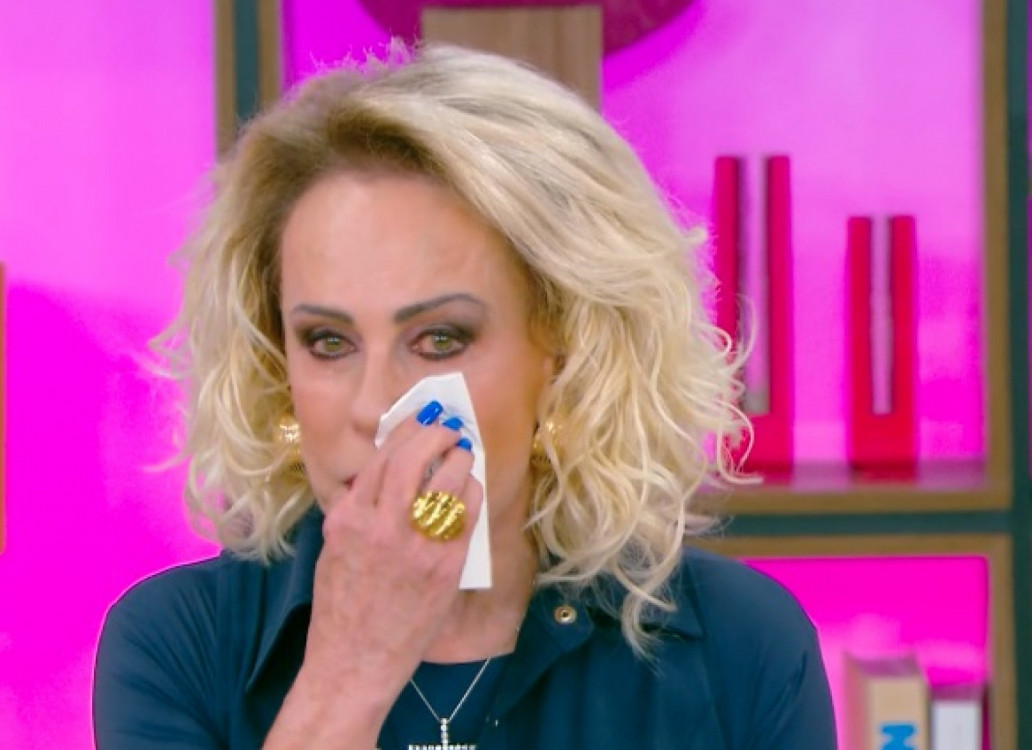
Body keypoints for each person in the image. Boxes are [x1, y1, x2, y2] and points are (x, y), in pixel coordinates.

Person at [93, 44, 836, 749]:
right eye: (328, 342)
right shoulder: (176, 644)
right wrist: (349, 675)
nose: (372, 406)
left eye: (440, 339)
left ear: (564, 355)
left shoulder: (741, 645)